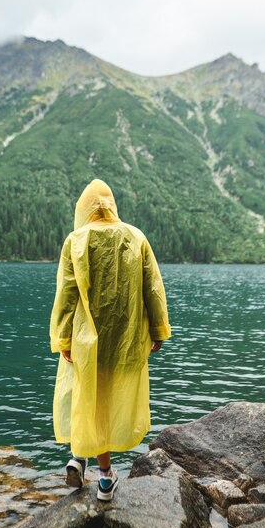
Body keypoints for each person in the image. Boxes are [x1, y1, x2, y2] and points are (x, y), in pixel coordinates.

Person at [49, 178, 171, 501]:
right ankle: (104, 479)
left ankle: (81, 458)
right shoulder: (136, 237)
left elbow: (66, 295)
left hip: (85, 341)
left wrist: (62, 336)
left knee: (86, 397)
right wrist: (158, 329)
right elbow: (153, 289)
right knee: (104, 402)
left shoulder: (75, 241)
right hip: (124, 341)